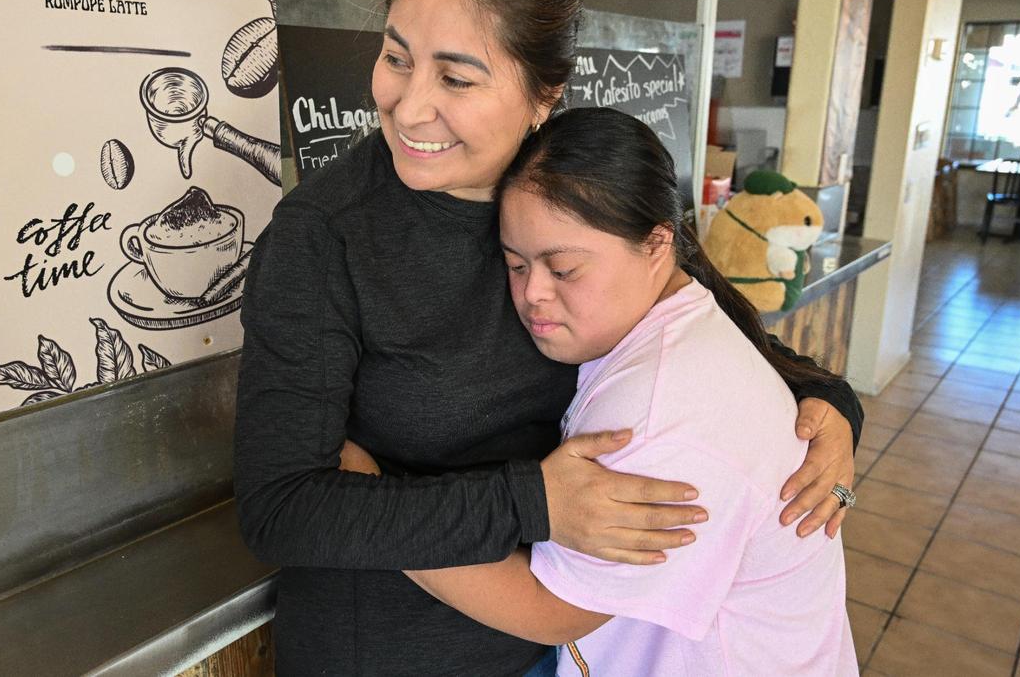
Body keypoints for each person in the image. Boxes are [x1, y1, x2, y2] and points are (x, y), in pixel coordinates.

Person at [233, 0, 863, 675]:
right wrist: (530, 501)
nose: (407, 105)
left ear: (543, 96)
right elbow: (281, 509)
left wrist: (830, 404)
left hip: (552, 653)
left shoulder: (563, 189)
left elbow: (687, 312)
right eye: (397, 58)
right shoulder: (325, 235)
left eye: (457, 77)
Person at [348, 107, 856, 675]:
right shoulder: (663, 329)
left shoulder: (659, 411)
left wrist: (365, 495)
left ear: (658, 244)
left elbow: (551, 611)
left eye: (563, 269)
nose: (533, 293)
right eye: (516, 266)